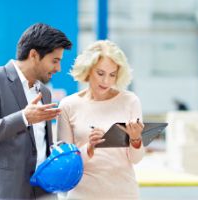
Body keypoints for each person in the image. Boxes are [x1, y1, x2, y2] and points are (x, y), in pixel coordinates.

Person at [0, 23, 72, 199]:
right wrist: (24, 117)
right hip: (4, 193)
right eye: (54, 61)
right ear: (34, 55)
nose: (58, 68)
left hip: (42, 192)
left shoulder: (44, 92)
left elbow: (38, 145)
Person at [57, 40, 145, 199]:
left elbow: (136, 159)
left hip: (123, 193)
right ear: (88, 70)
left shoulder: (130, 101)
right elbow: (65, 162)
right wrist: (89, 147)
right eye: (100, 73)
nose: (106, 81)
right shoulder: (68, 105)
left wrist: (136, 139)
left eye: (112, 75)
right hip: (82, 194)